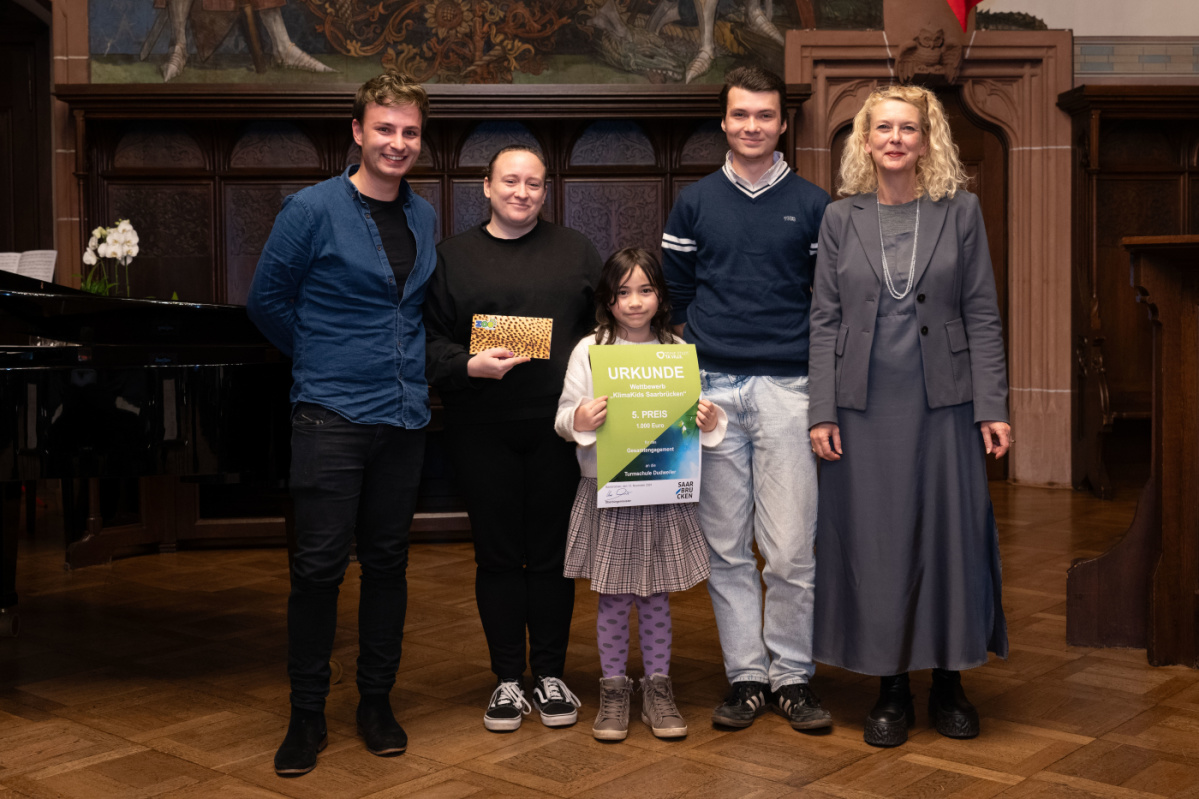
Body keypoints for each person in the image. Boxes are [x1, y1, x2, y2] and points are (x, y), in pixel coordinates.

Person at [808, 84, 1011, 748]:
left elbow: (981, 313)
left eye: (909, 129)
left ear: (928, 141)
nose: (895, 139)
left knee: (950, 539)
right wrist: (821, 409)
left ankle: (949, 682)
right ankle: (889, 684)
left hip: (944, 404)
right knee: (878, 544)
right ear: (864, 141)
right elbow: (823, 320)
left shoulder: (960, 211)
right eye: (882, 128)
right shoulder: (840, 218)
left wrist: (991, 405)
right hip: (862, 410)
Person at [246, 70, 436, 776]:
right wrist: (325, 356)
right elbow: (267, 301)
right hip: (329, 417)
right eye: (384, 128)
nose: (397, 142)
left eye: (409, 131)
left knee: (388, 565)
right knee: (319, 569)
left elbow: (414, 312)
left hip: (405, 416)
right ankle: (305, 715)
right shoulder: (310, 209)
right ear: (357, 132)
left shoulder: (423, 215)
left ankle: (376, 702)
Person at [661, 65, 833, 732]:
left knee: (789, 550)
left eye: (764, 116)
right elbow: (674, 293)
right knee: (726, 547)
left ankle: (791, 675)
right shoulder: (695, 202)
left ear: (781, 123)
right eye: (740, 116)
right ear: (724, 121)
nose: (752, 126)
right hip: (711, 393)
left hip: (791, 388)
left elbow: (828, 302)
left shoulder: (815, 204)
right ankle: (747, 676)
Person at [424, 146, 603, 733]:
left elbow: (606, 333)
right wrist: (468, 364)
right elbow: (425, 341)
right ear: (486, 186)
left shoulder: (576, 251)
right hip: (481, 428)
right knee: (498, 556)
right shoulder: (452, 257)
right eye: (510, 181)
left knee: (552, 558)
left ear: (545, 190)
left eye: (533, 183)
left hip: (559, 430)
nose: (522, 192)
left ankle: (550, 675)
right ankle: (506, 680)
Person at [555, 247, 728, 741]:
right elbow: (564, 417)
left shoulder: (676, 351)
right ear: (607, 299)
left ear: (660, 296)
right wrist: (580, 420)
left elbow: (698, 415)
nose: (635, 302)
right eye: (623, 292)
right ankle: (613, 690)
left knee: (655, 598)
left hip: (661, 494)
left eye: (645, 290)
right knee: (612, 599)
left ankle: (657, 688)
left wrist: (709, 420)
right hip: (608, 493)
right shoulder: (589, 351)